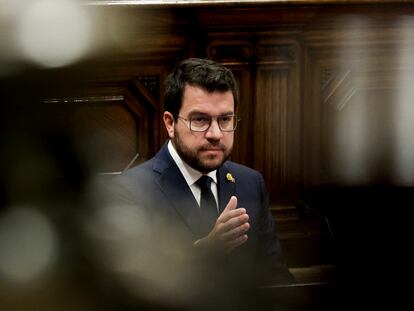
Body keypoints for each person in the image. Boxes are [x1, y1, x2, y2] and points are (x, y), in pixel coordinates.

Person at [95, 58, 294, 309]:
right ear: (170, 123)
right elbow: (129, 296)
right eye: (200, 120)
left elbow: (276, 281)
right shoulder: (130, 193)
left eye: (225, 120)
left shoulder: (250, 182)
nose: (215, 134)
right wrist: (206, 250)